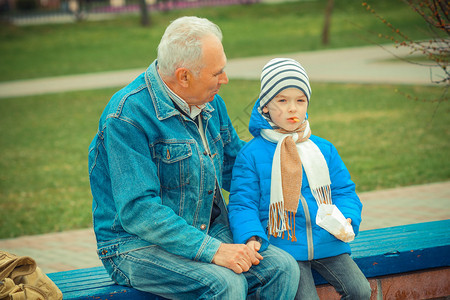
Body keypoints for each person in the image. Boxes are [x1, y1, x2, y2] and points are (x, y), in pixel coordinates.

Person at [88, 17, 300, 299]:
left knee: (283, 268)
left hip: (204, 226)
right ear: (184, 76)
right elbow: (139, 211)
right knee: (226, 284)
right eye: (217, 74)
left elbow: (237, 170)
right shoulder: (126, 117)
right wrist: (214, 251)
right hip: (133, 244)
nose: (225, 80)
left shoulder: (211, 103)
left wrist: (294, 164)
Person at [228, 58, 372, 299]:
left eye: (300, 100)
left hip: (328, 239)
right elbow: (243, 203)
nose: (292, 108)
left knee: (360, 290)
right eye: (282, 100)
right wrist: (251, 236)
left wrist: (347, 215)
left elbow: (344, 191)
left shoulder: (323, 149)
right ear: (265, 107)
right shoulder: (251, 154)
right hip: (283, 245)